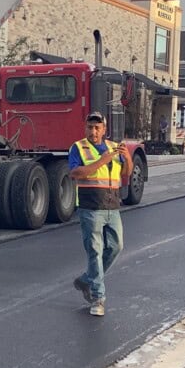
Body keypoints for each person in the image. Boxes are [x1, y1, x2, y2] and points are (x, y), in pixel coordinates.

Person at [69, 112, 132, 317]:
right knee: (95, 252)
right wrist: (103, 160)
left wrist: (127, 158)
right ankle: (98, 298)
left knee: (116, 246)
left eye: (97, 128)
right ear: (85, 128)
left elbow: (126, 173)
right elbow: (75, 173)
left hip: (112, 206)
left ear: (104, 129)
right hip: (90, 207)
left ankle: (87, 279)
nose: (93, 131)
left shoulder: (114, 147)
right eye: (90, 127)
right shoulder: (78, 148)